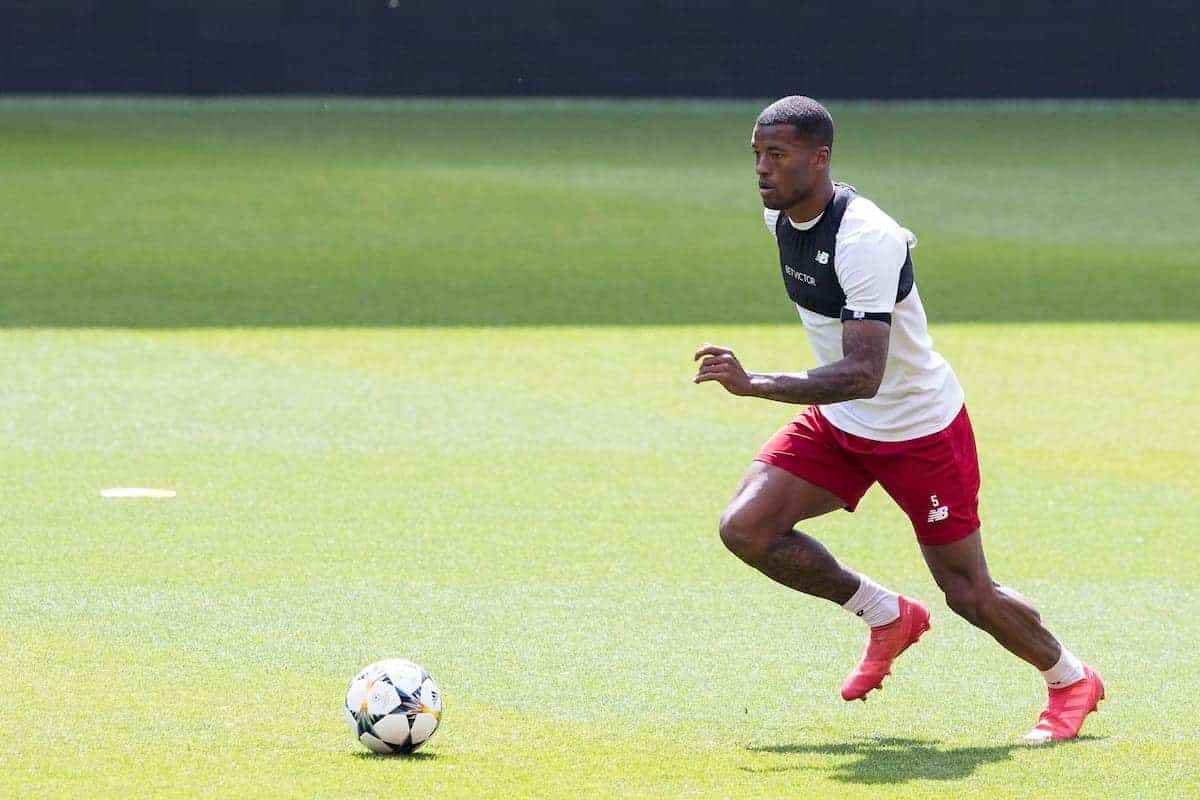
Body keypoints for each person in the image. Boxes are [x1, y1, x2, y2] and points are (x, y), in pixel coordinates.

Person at [693, 95, 1103, 743]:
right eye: (756, 155)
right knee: (747, 528)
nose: (762, 170)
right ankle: (887, 614)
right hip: (842, 423)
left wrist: (756, 384)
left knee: (969, 594)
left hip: (919, 432)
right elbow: (850, 384)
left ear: (819, 158)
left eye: (777, 155)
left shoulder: (866, 239)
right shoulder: (780, 220)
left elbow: (864, 372)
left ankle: (1070, 678)